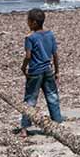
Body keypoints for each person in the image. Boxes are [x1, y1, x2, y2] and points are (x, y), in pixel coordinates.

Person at [18, 8, 63, 137]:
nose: (27, 23)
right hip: (48, 70)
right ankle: (57, 123)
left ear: (33, 23)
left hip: (35, 71)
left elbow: (28, 56)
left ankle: (25, 128)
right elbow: (55, 54)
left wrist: (23, 67)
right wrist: (57, 71)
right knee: (52, 96)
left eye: (28, 21)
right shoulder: (50, 34)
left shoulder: (30, 38)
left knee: (30, 99)